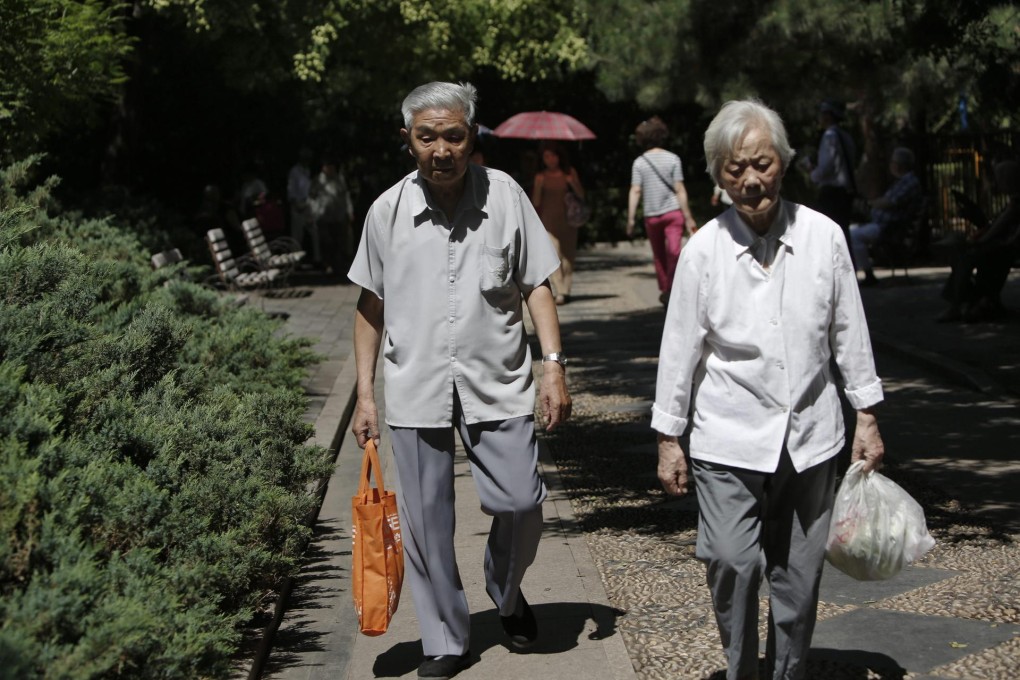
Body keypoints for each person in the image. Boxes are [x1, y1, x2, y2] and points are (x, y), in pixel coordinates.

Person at [653, 99, 885, 680]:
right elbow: (679, 347)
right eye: (735, 169)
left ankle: (787, 673)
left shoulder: (823, 236)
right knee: (730, 559)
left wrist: (867, 414)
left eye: (762, 163)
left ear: (783, 161)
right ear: (718, 176)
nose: (751, 179)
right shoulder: (703, 251)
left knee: (799, 577)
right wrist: (668, 437)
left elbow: (848, 329)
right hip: (727, 436)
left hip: (812, 435)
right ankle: (741, 670)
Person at [348, 81, 572, 680]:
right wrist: (366, 396)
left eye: (453, 135)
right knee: (425, 525)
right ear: (408, 141)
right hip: (415, 384)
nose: (441, 149)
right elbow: (370, 307)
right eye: (427, 137)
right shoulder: (386, 212)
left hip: (496, 379)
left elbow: (537, 287)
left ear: (472, 137)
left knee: (522, 502)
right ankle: (445, 638)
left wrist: (553, 367)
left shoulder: (505, 195)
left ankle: (504, 585)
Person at [626, 116, 698, 306]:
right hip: (673, 212)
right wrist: (689, 217)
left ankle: (666, 288)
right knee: (674, 251)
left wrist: (631, 218)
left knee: (658, 254)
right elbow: (680, 189)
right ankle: (672, 287)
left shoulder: (639, 163)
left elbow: (635, 190)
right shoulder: (673, 158)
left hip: (652, 215)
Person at [938, 159, 1020, 322]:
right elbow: (995, 226)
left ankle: (958, 304)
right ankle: (978, 300)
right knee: (963, 255)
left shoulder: (1016, 202)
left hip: (1006, 248)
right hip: (1002, 246)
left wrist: (979, 241)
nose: (996, 182)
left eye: (998, 178)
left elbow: (998, 229)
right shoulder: (1013, 201)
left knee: (965, 257)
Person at [848, 147, 923, 285]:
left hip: (890, 228)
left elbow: (890, 202)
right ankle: (862, 272)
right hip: (884, 225)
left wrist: (871, 204)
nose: (890, 165)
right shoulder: (902, 181)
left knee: (853, 235)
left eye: (892, 162)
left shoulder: (909, 182)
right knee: (850, 230)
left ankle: (868, 274)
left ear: (900, 164)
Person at [531, 141, 584, 305]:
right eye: (546, 156)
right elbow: (535, 202)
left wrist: (572, 182)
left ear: (559, 157)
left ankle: (566, 289)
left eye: (553, 155)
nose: (550, 159)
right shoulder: (540, 176)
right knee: (554, 254)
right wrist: (539, 186)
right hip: (548, 221)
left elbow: (582, 196)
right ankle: (560, 291)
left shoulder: (569, 173)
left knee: (568, 257)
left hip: (568, 221)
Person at [806, 99, 857, 256]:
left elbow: (826, 168)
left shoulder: (829, 136)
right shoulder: (846, 136)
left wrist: (811, 172)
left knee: (829, 233)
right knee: (843, 233)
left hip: (832, 193)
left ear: (828, 116)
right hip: (845, 192)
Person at [309, 156, 355, 275]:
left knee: (339, 242)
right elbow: (311, 198)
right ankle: (327, 265)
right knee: (326, 242)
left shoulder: (339, 179)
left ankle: (338, 266)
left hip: (338, 216)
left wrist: (349, 211)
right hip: (323, 216)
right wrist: (314, 213)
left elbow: (346, 196)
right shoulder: (318, 180)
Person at [288, 146, 319, 265]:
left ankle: (317, 260)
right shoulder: (294, 171)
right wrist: (296, 205)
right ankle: (295, 263)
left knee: (314, 233)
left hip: (308, 205)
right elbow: (291, 191)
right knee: (297, 236)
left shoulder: (308, 171)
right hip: (297, 206)